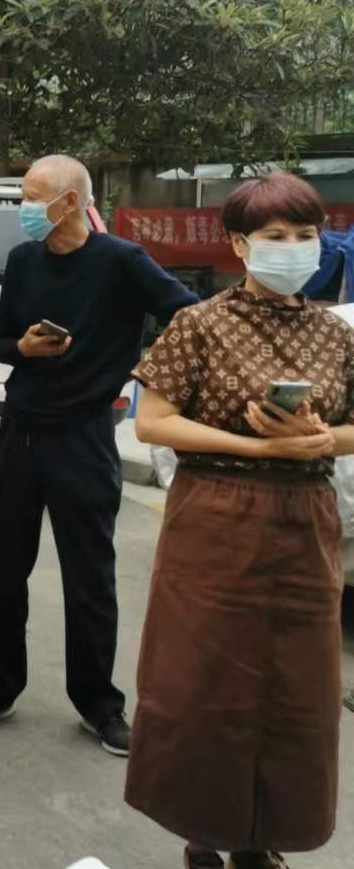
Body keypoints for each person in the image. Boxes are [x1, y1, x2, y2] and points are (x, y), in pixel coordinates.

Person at [127, 172, 353, 869]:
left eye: (306, 235)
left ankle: (262, 841)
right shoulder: (200, 323)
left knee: (296, 692)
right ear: (239, 244)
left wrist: (321, 440)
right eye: (275, 235)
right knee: (206, 684)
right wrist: (260, 447)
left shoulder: (336, 332)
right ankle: (204, 833)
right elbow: (152, 423)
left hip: (306, 523)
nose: (294, 247)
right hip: (215, 515)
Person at [0, 154, 197, 757]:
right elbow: (2, 342)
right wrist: (24, 347)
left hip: (85, 436)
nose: (24, 208)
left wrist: (148, 371)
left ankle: (99, 703)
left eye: (32, 196)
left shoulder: (121, 260)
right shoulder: (23, 260)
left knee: (90, 576)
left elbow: (190, 314)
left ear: (70, 202)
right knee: (6, 567)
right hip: (21, 431)